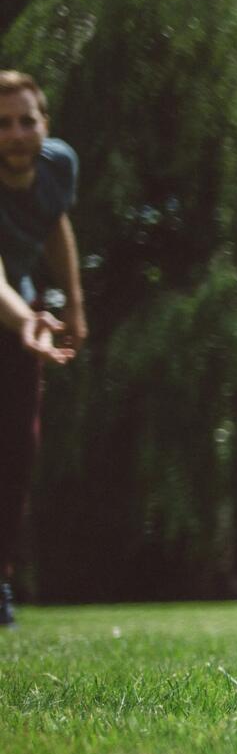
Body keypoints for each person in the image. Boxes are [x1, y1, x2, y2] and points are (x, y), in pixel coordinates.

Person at [0, 70, 84, 629]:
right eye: (1, 125)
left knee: (17, 447)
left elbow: (55, 222)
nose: (16, 134)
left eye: (26, 121)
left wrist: (75, 302)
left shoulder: (58, 164)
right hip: (13, 308)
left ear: (44, 123)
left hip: (18, 313)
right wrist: (28, 317)